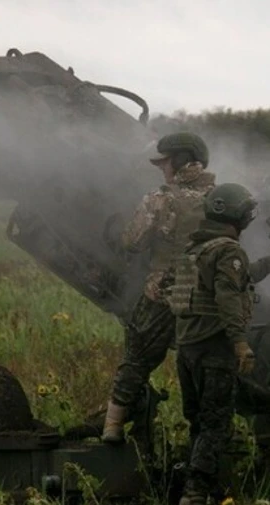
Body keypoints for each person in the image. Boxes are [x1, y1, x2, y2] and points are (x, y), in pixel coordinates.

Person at [102, 132, 215, 443]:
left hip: (163, 293)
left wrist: (118, 235)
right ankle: (205, 439)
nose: (161, 169)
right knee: (203, 367)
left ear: (179, 161)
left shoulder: (160, 199)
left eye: (164, 162)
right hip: (208, 298)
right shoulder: (221, 198)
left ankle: (112, 426)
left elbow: (133, 241)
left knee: (137, 355)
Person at [171, 183, 261, 505]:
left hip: (187, 350)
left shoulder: (193, 250)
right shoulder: (229, 250)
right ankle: (196, 493)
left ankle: (198, 488)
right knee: (216, 424)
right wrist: (239, 342)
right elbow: (227, 296)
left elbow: (184, 302)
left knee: (198, 421)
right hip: (215, 350)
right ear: (236, 214)